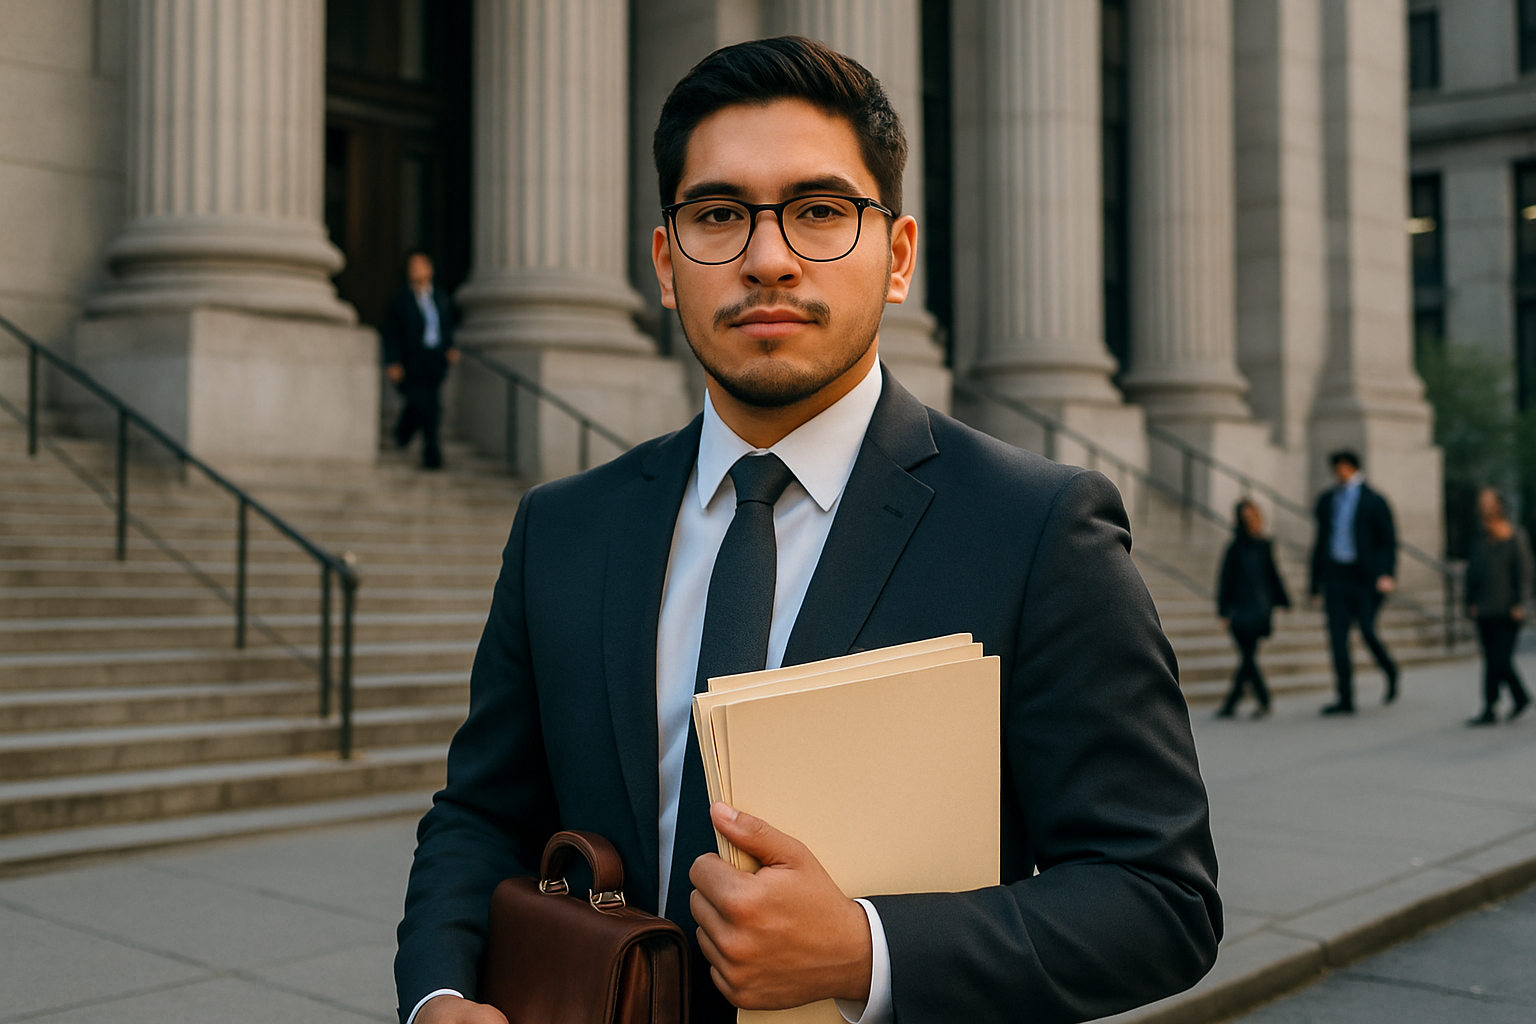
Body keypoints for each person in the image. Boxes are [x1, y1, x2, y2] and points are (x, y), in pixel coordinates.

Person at [395, 37, 1220, 1024]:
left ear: (899, 254)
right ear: (666, 263)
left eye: (820, 212)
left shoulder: (1039, 528)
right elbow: (481, 816)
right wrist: (439, 994)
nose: (769, 259)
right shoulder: (562, 529)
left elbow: (1159, 896)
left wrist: (864, 949)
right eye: (717, 216)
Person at [1309, 450, 1399, 715]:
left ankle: (1390, 670)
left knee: (1368, 631)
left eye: (1340, 468)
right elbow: (1320, 543)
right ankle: (1345, 697)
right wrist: (1315, 584)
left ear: (1350, 467)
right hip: (1336, 577)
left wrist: (1386, 573)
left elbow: (1388, 541)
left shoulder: (1374, 500)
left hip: (1365, 579)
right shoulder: (1328, 500)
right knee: (1337, 639)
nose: (1337, 474)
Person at [1463, 486, 1533, 725]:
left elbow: (1524, 573)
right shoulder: (1479, 536)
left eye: (1489, 501)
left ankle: (1501, 702)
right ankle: (1506, 701)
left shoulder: (1515, 536)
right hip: (1484, 607)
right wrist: (1469, 601)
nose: (1484, 506)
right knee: (1492, 658)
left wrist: (1522, 603)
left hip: (1508, 609)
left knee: (1498, 659)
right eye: (1482, 501)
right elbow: (1472, 573)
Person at [383, 251, 459, 470]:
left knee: (429, 404)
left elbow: (446, 327)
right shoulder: (401, 301)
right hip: (412, 361)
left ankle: (406, 436)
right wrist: (392, 361)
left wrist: (450, 348)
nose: (416, 271)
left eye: (420, 266)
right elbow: (393, 334)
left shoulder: (441, 299)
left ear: (430, 270)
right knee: (425, 404)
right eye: (412, 267)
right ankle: (430, 451)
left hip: (435, 360)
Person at [1216, 499, 1291, 718]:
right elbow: (1225, 580)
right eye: (1244, 516)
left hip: (1260, 609)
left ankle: (1233, 704)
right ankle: (1259, 700)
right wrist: (1223, 610)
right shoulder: (1234, 547)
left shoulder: (1264, 545)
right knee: (1248, 657)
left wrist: (1283, 600)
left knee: (1248, 657)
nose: (1248, 520)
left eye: (1252, 515)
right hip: (1239, 610)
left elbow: (1272, 574)